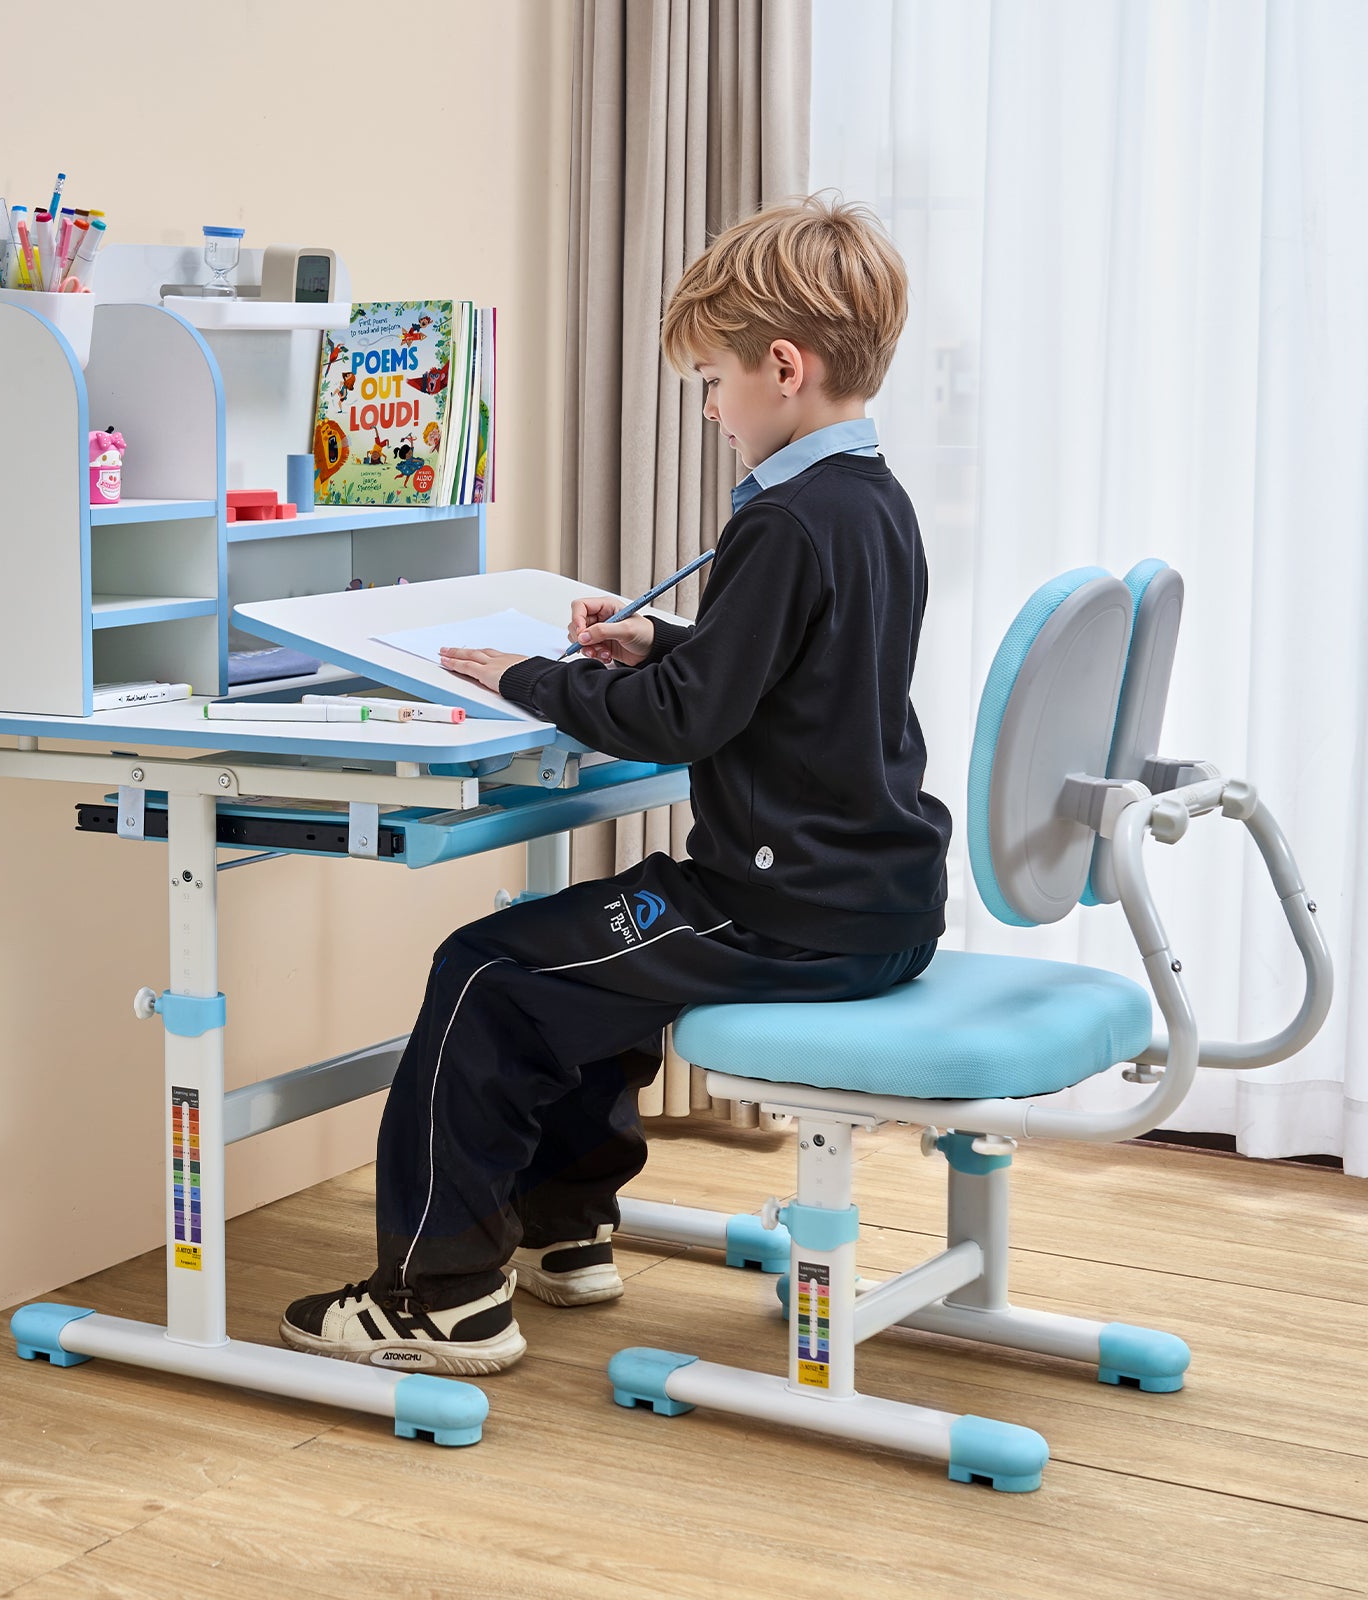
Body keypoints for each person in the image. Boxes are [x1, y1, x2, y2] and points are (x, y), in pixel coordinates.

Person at [280, 195, 953, 1375]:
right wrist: (666, 644)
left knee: (489, 967)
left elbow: (679, 730)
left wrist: (534, 678)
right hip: (875, 900)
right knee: (575, 960)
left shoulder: (788, 519)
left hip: (780, 914)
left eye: (711, 380)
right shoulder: (872, 503)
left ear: (781, 368)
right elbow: (793, 673)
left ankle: (434, 1299)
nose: (708, 407)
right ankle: (566, 1229)